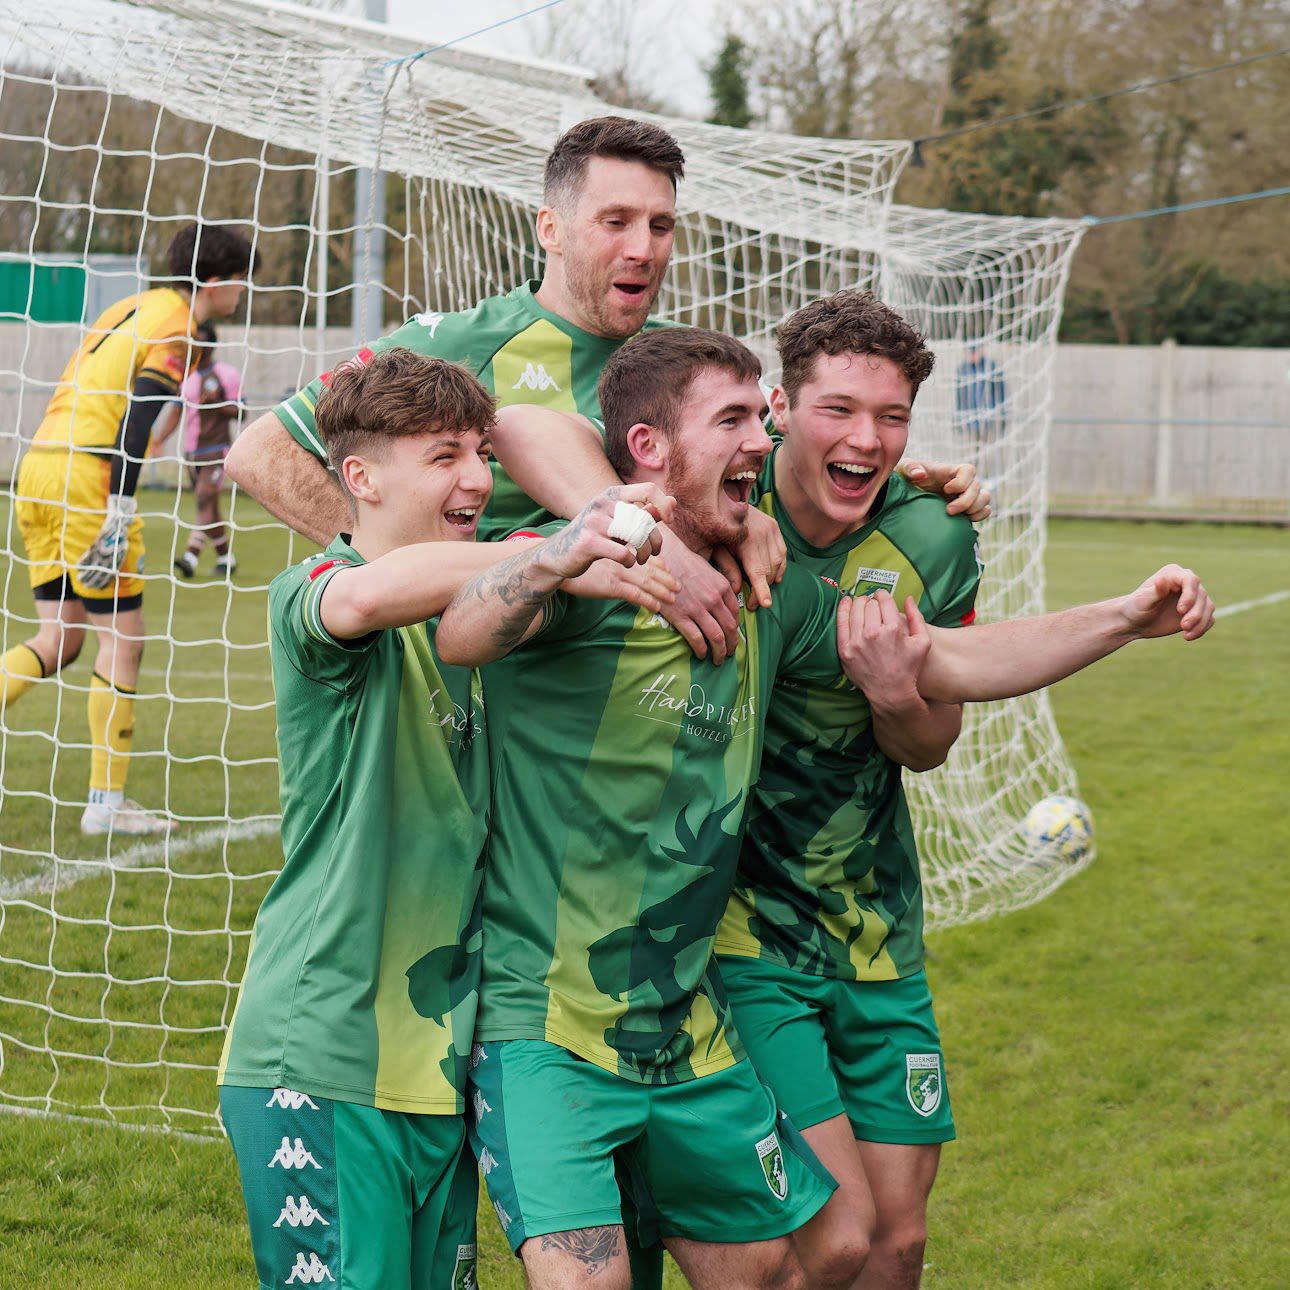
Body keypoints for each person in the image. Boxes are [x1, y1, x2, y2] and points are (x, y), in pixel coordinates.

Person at [432, 327, 1213, 1290]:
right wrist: (585, 550)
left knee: (826, 1256)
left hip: (760, 978)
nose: (765, 444)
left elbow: (959, 663)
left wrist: (1123, 618)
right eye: (745, 421)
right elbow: (467, 620)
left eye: (890, 416)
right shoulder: (594, 564)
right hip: (600, 989)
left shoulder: (783, 583)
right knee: (773, 1250)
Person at [216, 346, 673, 1290]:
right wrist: (552, 548)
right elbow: (372, 593)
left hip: (434, 1070)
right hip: (323, 1052)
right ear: (360, 477)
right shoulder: (314, 595)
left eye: (479, 453)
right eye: (442, 456)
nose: (476, 478)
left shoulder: (485, 620)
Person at [225, 114, 990, 665]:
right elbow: (262, 455)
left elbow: (786, 464)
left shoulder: (680, 368)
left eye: (660, 226)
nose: (641, 248)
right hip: (481, 686)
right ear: (550, 229)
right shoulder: (454, 346)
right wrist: (405, 590)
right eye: (615, 221)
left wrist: (911, 483)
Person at [711, 292, 982, 1289]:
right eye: (838, 410)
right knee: (838, 1236)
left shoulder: (933, 543)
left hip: (876, 926)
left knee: (901, 1243)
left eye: (892, 417)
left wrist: (893, 693)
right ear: (780, 406)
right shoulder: (720, 509)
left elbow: (929, 747)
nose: (866, 439)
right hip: (745, 934)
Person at [2, 222, 257, 835]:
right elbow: (137, 419)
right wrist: (119, 505)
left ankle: (106, 802)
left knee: (60, 640)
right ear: (217, 283)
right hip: (88, 479)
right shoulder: (178, 325)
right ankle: (106, 805)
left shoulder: (129, 305)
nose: (245, 293)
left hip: (38, 467)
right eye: (243, 281)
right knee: (125, 642)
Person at [150, 322, 243, 578]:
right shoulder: (186, 378)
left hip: (218, 450)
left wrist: (218, 404)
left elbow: (240, 411)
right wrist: (159, 440)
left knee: (204, 498)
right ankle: (226, 557)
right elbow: (176, 411)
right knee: (209, 507)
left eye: (200, 342)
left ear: (211, 346)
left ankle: (191, 555)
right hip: (192, 453)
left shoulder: (226, 374)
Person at [953, 342, 1006, 479]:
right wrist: (957, 418)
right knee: (970, 459)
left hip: (989, 422)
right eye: (969, 352)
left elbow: (1001, 394)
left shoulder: (991, 367)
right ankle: (968, 487)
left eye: (975, 351)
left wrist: (1001, 417)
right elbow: (959, 396)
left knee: (989, 459)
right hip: (970, 423)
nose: (972, 355)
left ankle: (989, 489)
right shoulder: (962, 369)